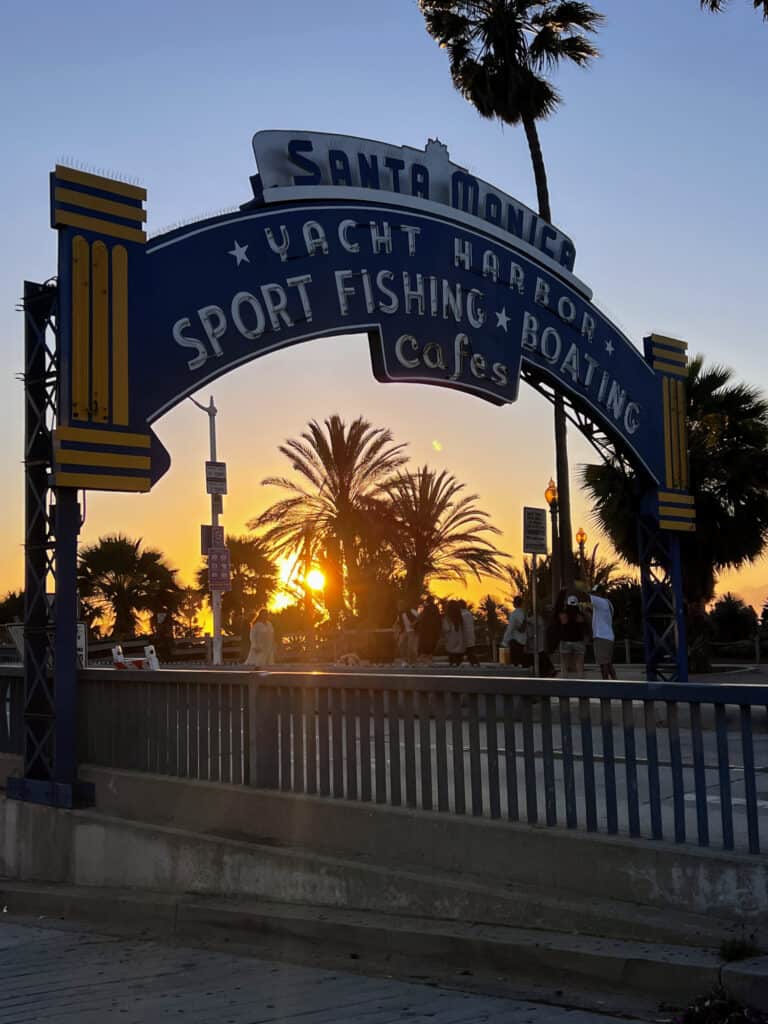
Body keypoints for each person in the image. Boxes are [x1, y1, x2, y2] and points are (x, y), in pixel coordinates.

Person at [558, 594, 588, 678]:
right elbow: (585, 626)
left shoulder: (563, 615)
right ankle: (581, 683)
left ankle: (564, 684)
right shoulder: (580, 615)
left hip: (565, 641)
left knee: (564, 665)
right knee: (579, 665)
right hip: (578, 641)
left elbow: (560, 622)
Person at [590, 591, 616, 679]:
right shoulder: (608, 604)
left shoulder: (601, 602)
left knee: (604, 663)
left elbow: (585, 596)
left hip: (602, 637)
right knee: (607, 662)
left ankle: (605, 682)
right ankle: (615, 681)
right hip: (607, 636)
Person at [501, 596, 531, 668]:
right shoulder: (524, 613)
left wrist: (504, 641)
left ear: (514, 603)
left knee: (516, 661)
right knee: (522, 658)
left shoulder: (514, 614)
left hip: (516, 640)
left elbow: (510, 628)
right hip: (524, 640)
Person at [415, 595, 441, 664]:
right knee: (431, 644)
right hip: (432, 629)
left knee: (425, 644)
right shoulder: (435, 608)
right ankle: (429, 659)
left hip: (426, 629)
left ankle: (426, 659)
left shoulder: (427, 608)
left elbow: (421, 617)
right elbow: (438, 619)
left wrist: (415, 624)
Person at [394, 600, 419, 665]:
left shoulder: (411, 610)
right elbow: (398, 622)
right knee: (401, 645)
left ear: (404, 605)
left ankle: (412, 661)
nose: (399, 606)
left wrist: (413, 623)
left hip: (412, 631)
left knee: (411, 647)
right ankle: (404, 660)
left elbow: (419, 617)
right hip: (404, 631)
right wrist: (395, 626)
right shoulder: (400, 613)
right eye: (398, 605)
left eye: (400, 605)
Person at [442, 600, 466, 666]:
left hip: (450, 636)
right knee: (458, 649)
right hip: (459, 636)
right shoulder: (460, 616)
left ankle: (452, 662)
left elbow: (446, 628)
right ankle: (458, 661)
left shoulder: (447, 617)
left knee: (451, 650)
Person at [458, 600, 479, 666]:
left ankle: (458, 662)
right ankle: (474, 662)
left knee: (467, 651)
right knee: (470, 650)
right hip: (471, 635)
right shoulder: (469, 614)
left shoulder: (462, 615)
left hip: (464, 636)